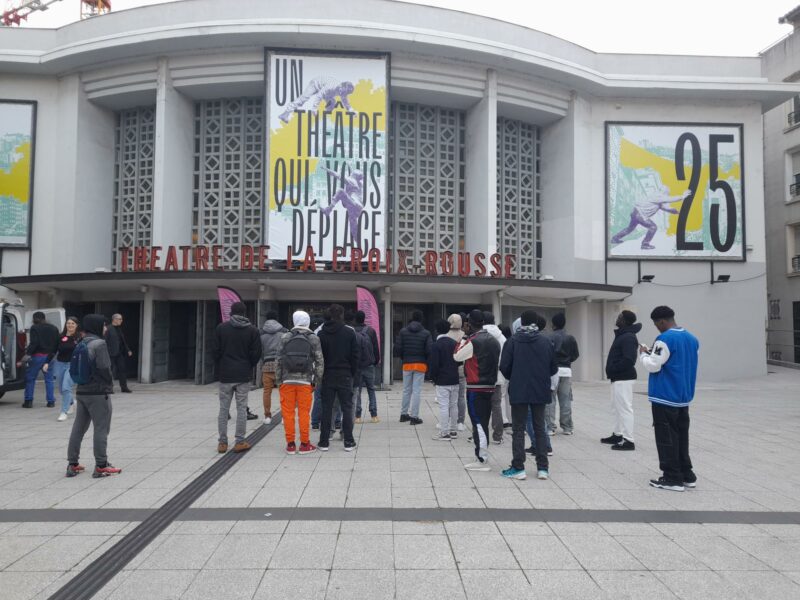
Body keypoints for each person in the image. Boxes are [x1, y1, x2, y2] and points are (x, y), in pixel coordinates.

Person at [640, 306, 699, 492]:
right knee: (681, 436)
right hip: (683, 397)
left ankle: (672, 477)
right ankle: (686, 474)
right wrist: (653, 352)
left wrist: (643, 354)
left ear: (662, 321)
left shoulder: (665, 338)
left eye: (656, 324)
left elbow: (654, 366)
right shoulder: (692, 339)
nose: (657, 327)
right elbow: (676, 361)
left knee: (666, 437)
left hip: (664, 396)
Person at [500, 310, 557, 480]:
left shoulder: (513, 341)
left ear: (521, 322)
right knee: (540, 427)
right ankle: (542, 468)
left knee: (518, 429)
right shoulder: (546, 341)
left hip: (519, 389)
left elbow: (504, 366)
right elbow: (553, 367)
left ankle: (518, 467)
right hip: (540, 389)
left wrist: (515, 376)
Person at [66, 314, 120, 478]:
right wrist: (109, 385)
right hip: (97, 393)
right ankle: (101, 465)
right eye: (103, 325)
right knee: (101, 428)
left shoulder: (81, 342)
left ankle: (72, 464)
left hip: (81, 391)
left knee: (78, 428)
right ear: (97, 326)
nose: (105, 328)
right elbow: (104, 368)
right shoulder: (99, 344)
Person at [212, 302, 262, 454]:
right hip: (242, 374)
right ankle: (240, 441)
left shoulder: (221, 328)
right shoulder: (252, 330)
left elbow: (215, 351)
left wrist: (221, 365)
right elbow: (256, 353)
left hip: (225, 374)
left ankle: (222, 442)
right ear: (245, 313)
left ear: (231, 313)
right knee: (241, 408)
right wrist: (249, 365)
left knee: (223, 409)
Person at [454, 310, 500, 471]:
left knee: (478, 423)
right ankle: (482, 455)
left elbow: (457, 356)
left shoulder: (474, 341)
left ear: (469, 323)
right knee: (483, 422)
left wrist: (464, 338)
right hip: (490, 385)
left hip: (475, 386)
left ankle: (481, 459)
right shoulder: (494, 341)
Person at [275, 310, 324, 455]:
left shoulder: (285, 337)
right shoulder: (313, 338)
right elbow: (320, 361)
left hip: (287, 381)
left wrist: (279, 380)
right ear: (308, 321)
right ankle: (304, 444)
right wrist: (317, 381)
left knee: (288, 413)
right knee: (304, 413)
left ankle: (290, 444)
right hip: (305, 382)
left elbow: (278, 360)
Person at [317, 304, 359, 451]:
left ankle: (324, 442)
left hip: (328, 375)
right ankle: (348, 441)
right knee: (347, 408)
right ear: (341, 315)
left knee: (327, 408)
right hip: (345, 374)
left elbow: (319, 357)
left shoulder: (321, 334)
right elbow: (355, 356)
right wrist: (351, 373)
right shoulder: (349, 332)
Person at [603, 310, 641, 451]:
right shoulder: (623, 335)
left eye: (619, 317)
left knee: (625, 408)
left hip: (624, 378)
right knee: (616, 407)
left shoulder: (629, 337)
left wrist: (613, 368)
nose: (617, 318)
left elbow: (629, 359)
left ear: (624, 321)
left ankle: (629, 440)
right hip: (618, 378)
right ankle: (618, 434)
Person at [611, 185, 691, 250]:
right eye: (667, 193)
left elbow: (667, 209)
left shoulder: (658, 200)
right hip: (640, 214)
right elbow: (670, 199)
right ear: (664, 191)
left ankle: (614, 239)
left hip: (635, 212)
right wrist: (682, 196)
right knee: (653, 227)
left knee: (629, 229)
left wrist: (677, 212)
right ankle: (645, 244)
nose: (667, 195)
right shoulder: (658, 195)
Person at [394, 310, 432, 425]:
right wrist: (425, 360)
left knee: (406, 390)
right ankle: (414, 417)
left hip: (407, 363)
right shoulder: (426, 333)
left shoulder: (403, 331)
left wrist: (404, 357)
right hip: (420, 364)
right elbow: (429, 350)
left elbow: (398, 348)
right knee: (416, 391)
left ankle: (403, 414)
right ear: (421, 319)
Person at [546, 313, 580, 436]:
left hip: (553, 371)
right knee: (565, 399)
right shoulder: (570, 338)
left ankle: (550, 427)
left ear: (553, 324)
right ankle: (567, 427)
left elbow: (547, 355)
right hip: (566, 371)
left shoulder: (549, 337)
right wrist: (567, 360)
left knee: (551, 399)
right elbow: (576, 355)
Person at [429, 319, 460, 441]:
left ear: (436, 330)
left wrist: (433, 377)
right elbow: (459, 360)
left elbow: (434, 364)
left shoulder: (436, 345)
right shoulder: (454, 343)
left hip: (442, 379)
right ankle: (453, 430)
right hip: (454, 377)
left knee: (443, 406)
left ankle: (444, 432)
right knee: (453, 405)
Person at [44, 316, 79, 421]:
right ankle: (71, 402)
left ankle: (63, 412)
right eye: (68, 323)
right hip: (59, 364)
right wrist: (46, 362)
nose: (70, 325)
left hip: (72, 365)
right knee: (61, 389)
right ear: (65, 325)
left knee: (66, 387)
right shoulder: (60, 337)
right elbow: (53, 350)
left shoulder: (79, 338)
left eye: (73, 323)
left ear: (76, 325)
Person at [22, 311, 59, 408]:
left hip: (37, 356)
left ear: (34, 319)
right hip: (50, 357)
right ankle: (51, 402)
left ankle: (28, 401)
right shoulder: (53, 328)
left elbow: (35, 342)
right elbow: (56, 343)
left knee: (30, 378)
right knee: (49, 380)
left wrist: (27, 354)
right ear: (44, 318)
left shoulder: (35, 327)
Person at [482, 311, 507, 445]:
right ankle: (498, 435)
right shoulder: (502, 337)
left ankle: (480, 434)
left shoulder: (479, 335)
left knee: (481, 406)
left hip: (481, 377)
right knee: (496, 406)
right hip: (497, 376)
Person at [260, 310, 288, 425]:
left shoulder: (261, 333)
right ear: (277, 319)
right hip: (280, 365)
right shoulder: (284, 332)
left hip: (267, 365)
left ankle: (267, 416)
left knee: (267, 392)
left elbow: (260, 351)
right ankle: (284, 416)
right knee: (283, 392)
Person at [353, 310, 380, 423]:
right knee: (371, 389)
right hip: (369, 365)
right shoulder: (371, 331)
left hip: (357, 366)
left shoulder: (352, 331)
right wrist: (375, 361)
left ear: (355, 319)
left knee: (357, 391)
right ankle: (374, 415)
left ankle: (357, 416)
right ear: (364, 319)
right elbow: (375, 348)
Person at [447, 313, 467, 431]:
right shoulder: (465, 335)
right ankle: (460, 421)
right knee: (460, 397)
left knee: (449, 397)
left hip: (449, 370)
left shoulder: (446, 336)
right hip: (462, 370)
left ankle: (450, 419)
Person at [105, 314, 132, 393]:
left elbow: (123, 341)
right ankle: (109, 388)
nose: (121, 321)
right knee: (110, 371)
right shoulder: (108, 329)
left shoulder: (119, 329)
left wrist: (128, 350)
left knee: (122, 370)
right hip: (110, 353)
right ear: (114, 319)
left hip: (119, 353)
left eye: (121, 319)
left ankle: (124, 387)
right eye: (120, 319)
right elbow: (105, 341)